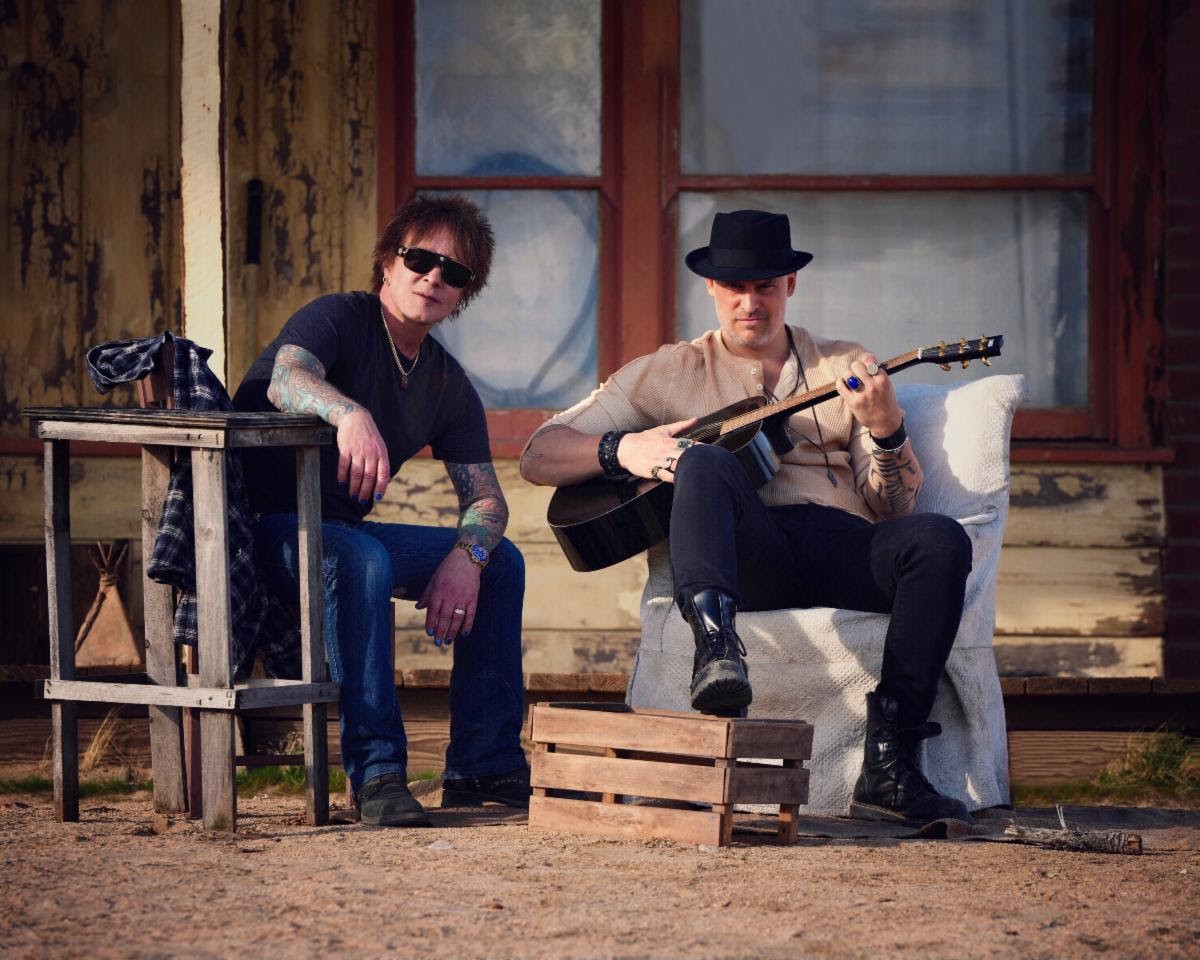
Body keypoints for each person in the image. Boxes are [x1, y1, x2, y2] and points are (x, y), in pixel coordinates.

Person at [520, 209, 974, 824]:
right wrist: (623, 448)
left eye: (765, 286)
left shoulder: (845, 365)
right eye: (735, 287)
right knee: (704, 463)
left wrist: (888, 430)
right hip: (746, 556)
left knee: (940, 541)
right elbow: (539, 453)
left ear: (791, 284)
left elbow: (890, 505)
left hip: (841, 543)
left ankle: (890, 766)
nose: (749, 302)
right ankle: (717, 651)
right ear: (711, 287)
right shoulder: (667, 372)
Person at [234, 194, 529, 827]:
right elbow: (285, 378)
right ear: (388, 264)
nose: (433, 278)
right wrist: (349, 412)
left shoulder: (446, 383)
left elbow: (486, 499)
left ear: (464, 294)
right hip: (256, 531)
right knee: (362, 557)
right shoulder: (339, 319)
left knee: (501, 564)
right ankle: (378, 775)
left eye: (454, 272)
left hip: (339, 535)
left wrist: (467, 557)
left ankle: (485, 768)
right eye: (420, 259)